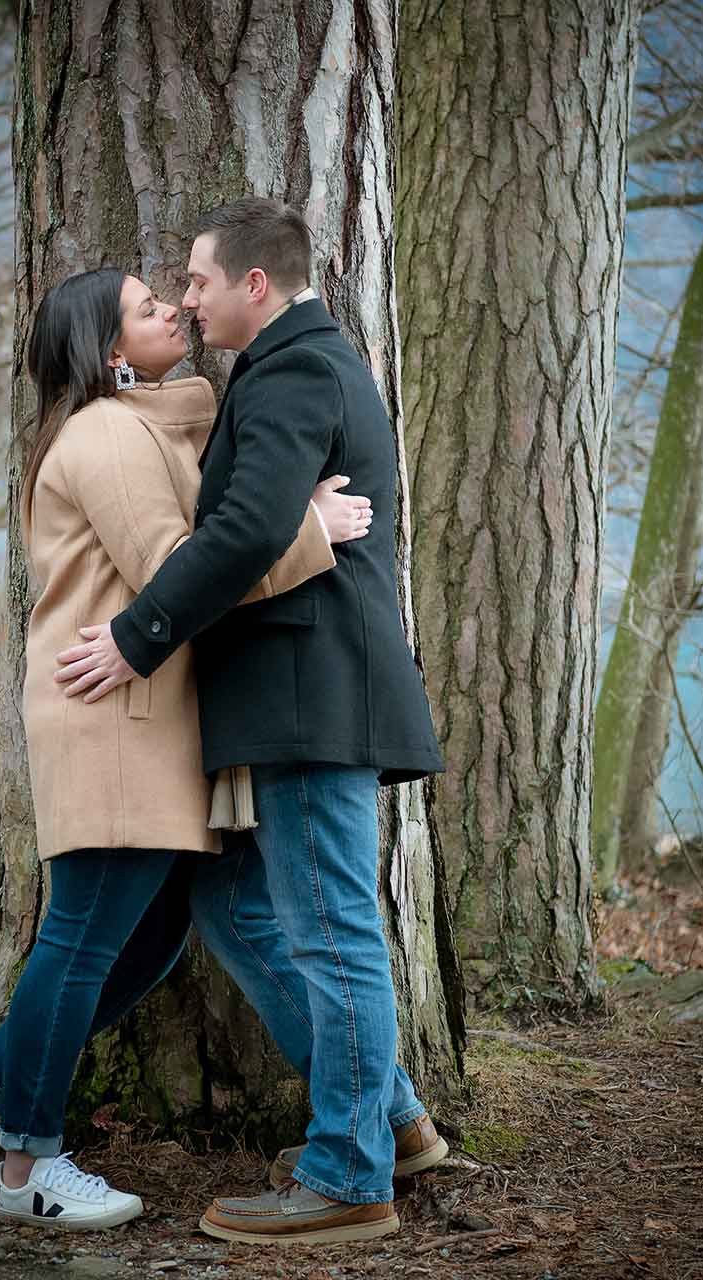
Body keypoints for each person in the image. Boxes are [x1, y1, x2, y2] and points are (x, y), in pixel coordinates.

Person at [0, 266, 371, 1231]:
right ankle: (28, 1168)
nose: (171, 308)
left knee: (147, 940)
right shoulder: (111, 434)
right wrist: (308, 530)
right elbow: (176, 572)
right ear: (110, 352)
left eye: (169, 294)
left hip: (144, 717)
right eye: (146, 307)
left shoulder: (148, 427)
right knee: (80, 942)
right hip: (118, 719)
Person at [52, 197, 446, 1244]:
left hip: (310, 698)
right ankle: (391, 1116)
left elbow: (241, 532)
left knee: (332, 933)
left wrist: (136, 636)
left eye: (197, 279)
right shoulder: (293, 367)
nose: (188, 296)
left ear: (254, 284)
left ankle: (349, 1173)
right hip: (285, 699)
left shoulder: (294, 368)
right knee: (234, 904)